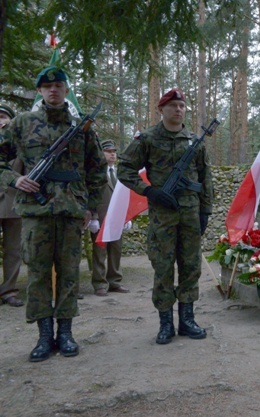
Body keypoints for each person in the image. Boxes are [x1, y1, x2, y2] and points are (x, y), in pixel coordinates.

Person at [0, 66, 107, 362]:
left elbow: (97, 169)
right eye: (47, 87)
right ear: (39, 91)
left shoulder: (82, 128)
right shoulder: (21, 123)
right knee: (37, 274)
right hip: (35, 212)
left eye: (59, 85)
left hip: (72, 212)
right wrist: (14, 179)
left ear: (66, 89)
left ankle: (66, 333)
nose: (53, 90)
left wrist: (90, 206)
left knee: (70, 274)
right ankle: (44, 336)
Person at [117, 88, 213, 345]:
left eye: (181, 106)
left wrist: (206, 210)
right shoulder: (146, 138)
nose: (178, 110)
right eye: (173, 106)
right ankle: (165, 323)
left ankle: (188, 320)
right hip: (162, 216)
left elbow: (205, 177)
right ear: (161, 110)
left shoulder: (195, 141)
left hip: (191, 214)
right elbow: (124, 169)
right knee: (162, 267)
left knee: (191, 266)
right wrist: (149, 191)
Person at [87, 140, 130, 296]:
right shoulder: (95, 172)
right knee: (100, 251)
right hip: (101, 218)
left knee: (116, 251)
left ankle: (114, 281)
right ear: (101, 153)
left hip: (117, 218)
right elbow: (91, 194)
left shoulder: (120, 173)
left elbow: (125, 196)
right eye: (108, 151)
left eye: (114, 151)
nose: (112, 154)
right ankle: (99, 283)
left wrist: (127, 217)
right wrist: (93, 217)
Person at [0, 104, 24, 307]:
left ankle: (9, 291)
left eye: (3, 117)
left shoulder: (19, 145)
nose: (0, 121)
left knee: (13, 250)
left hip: (13, 202)